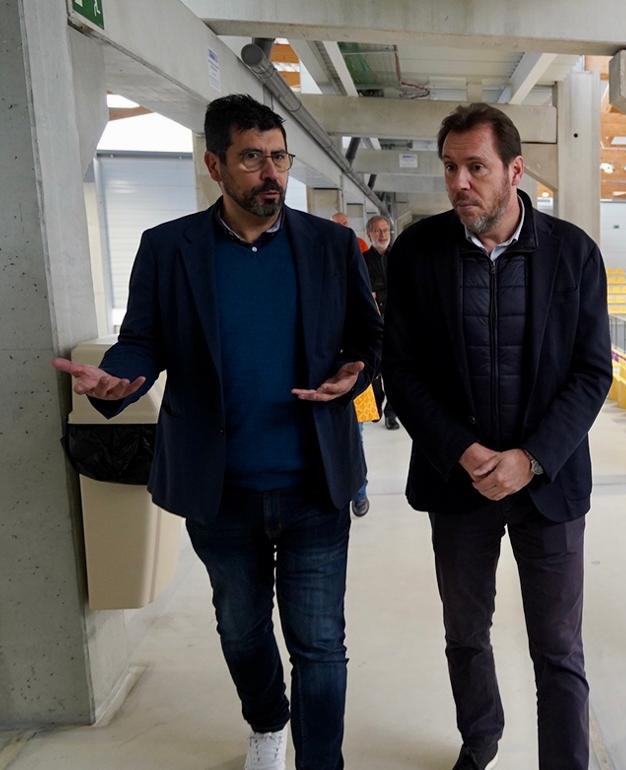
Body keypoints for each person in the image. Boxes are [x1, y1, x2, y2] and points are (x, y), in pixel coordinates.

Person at [52, 94, 383, 770]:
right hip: (220, 487)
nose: (271, 172)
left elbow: (370, 336)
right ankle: (268, 720)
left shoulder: (326, 246)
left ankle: (323, 763)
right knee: (240, 628)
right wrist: (120, 380)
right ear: (215, 164)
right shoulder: (169, 248)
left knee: (320, 641)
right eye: (252, 158)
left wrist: (358, 372)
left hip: (314, 482)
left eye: (279, 157)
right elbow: (143, 341)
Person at [383, 103, 611, 770]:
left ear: (514, 171)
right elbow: (402, 369)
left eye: (475, 167)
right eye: (450, 167)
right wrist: (464, 449)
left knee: (558, 647)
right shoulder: (418, 255)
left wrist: (533, 458)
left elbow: (592, 371)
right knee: (465, 631)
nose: (460, 182)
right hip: (460, 484)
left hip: (550, 485)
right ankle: (480, 737)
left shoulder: (573, 255)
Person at [361, 214, 398, 430]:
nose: (382, 234)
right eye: (378, 230)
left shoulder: (400, 256)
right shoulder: (362, 260)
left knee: (394, 371)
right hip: (373, 322)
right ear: (369, 234)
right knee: (374, 367)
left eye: (385, 230)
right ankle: (376, 401)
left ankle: (391, 413)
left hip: (397, 323)